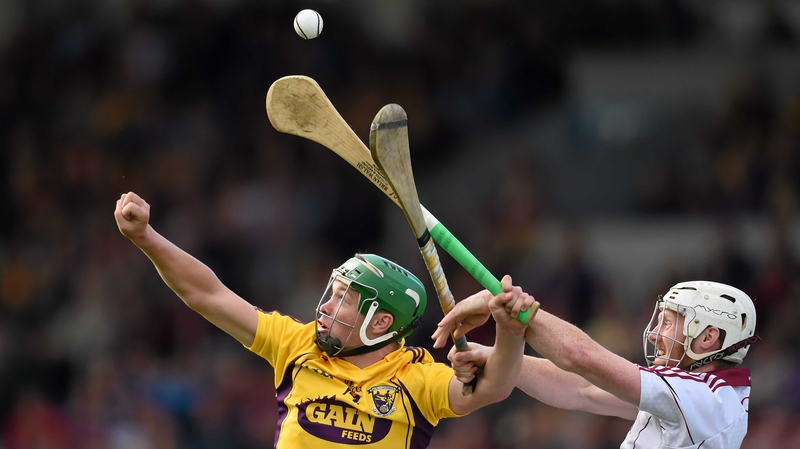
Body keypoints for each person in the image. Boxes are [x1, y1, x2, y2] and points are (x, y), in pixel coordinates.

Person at [114, 191, 527, 448]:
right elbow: (207, 294)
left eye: (344, 298)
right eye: (332, 292)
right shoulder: (297, 344)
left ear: (380, 323)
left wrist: (509, 331)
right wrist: (147, 238)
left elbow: (494, 386)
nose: (326, 306)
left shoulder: (417, 380)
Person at [433, 275, 758, 448]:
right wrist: (497, 356)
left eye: (669, 323)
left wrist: (514, 309)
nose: (656, 335)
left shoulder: (705, 399)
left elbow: (580, 357)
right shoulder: (702, 397)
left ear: (708, 337)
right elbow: (582, 389)